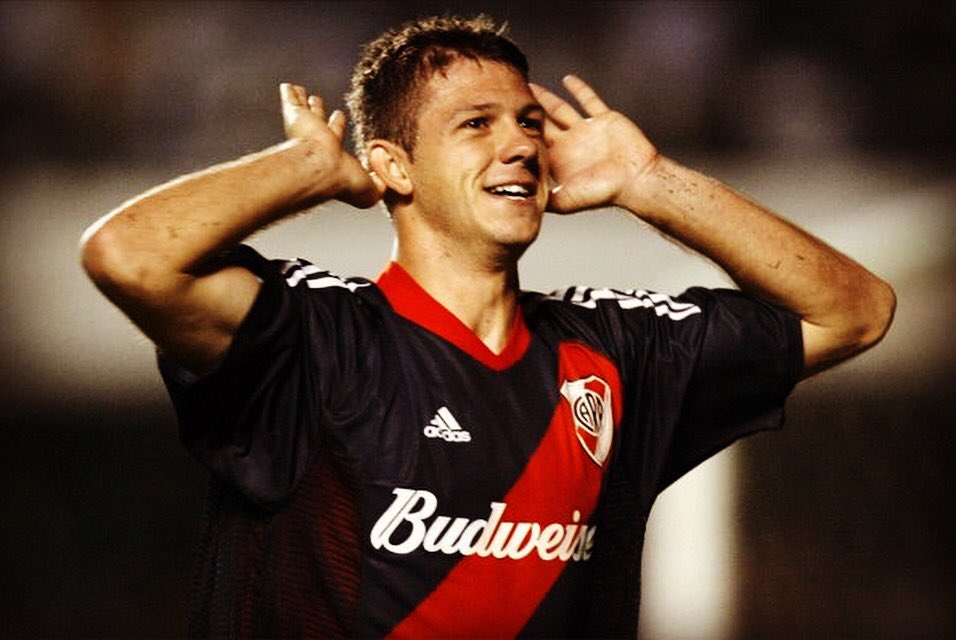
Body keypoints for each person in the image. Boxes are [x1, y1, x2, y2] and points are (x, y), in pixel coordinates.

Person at [79, 15, 894, 638]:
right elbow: (129, 255)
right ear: (392, 166)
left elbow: (856, 311)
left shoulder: (616, 351)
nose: (520, 145)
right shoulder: (314, 337)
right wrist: (305, 169)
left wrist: (650, 181)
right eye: (476, 124)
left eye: (529, 123)